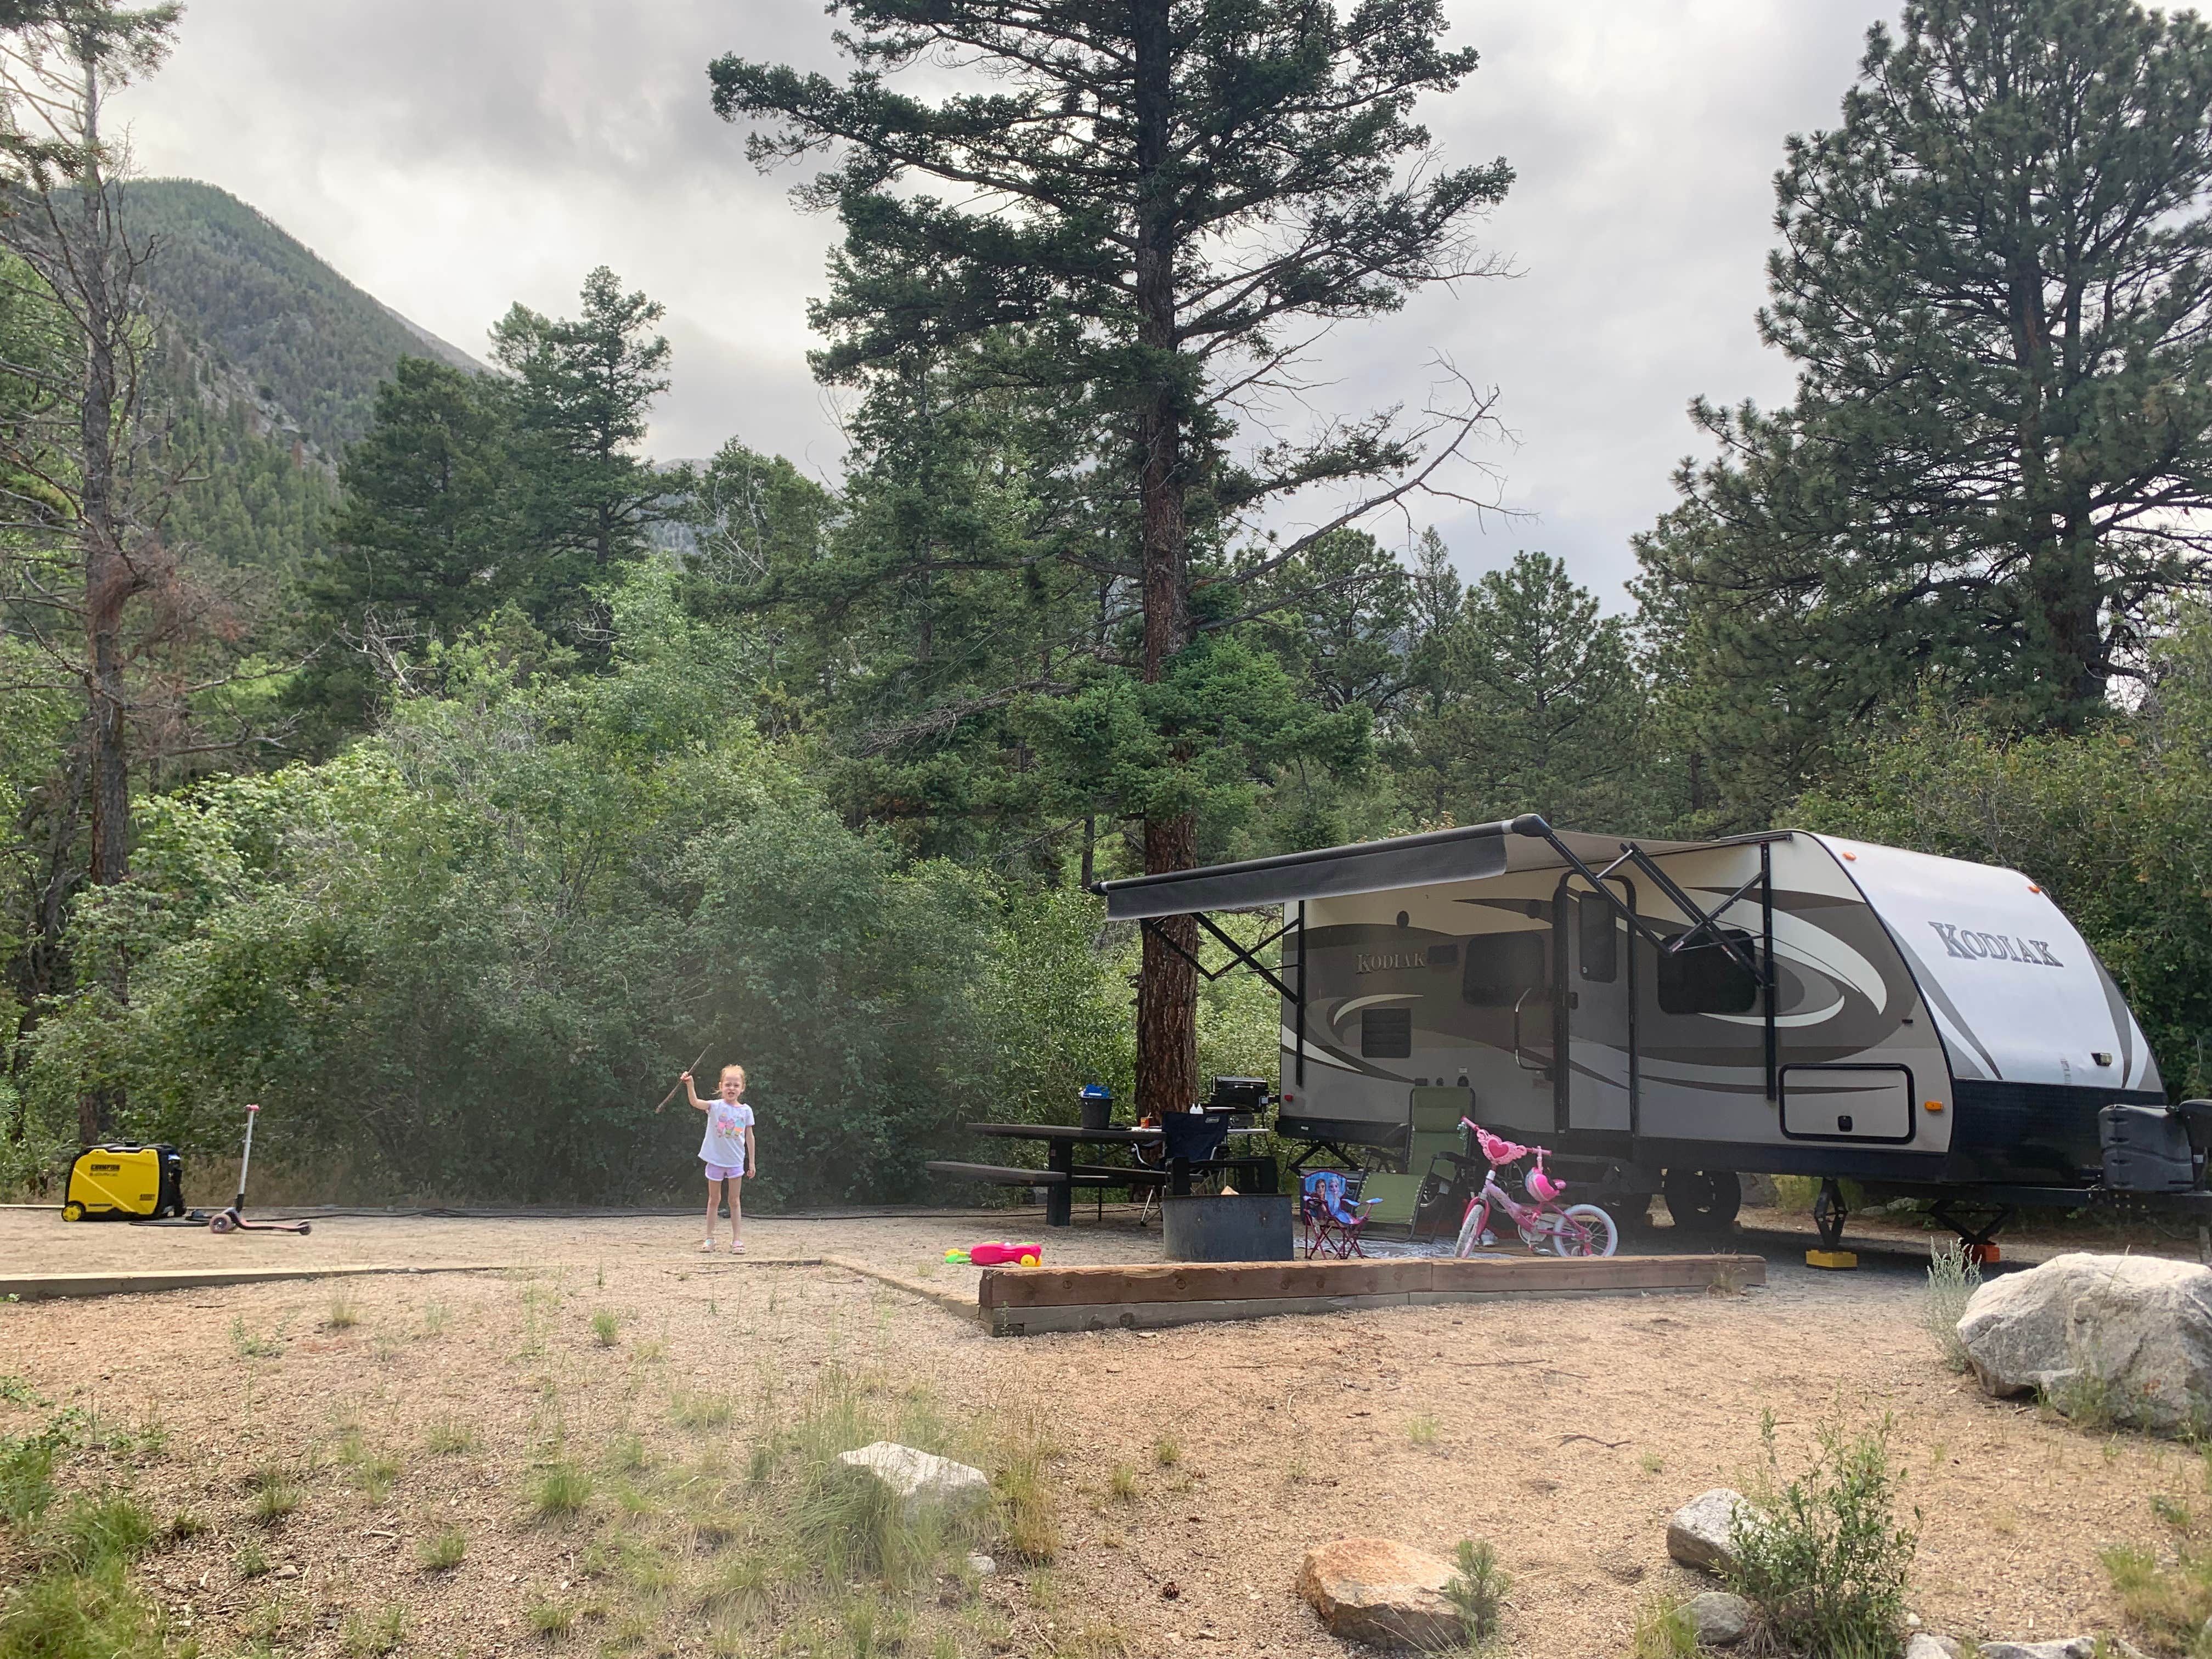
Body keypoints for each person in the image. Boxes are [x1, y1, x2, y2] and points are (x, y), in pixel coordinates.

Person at [681, 1063, 757, 1254]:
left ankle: (737, 1240)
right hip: (715, 1160)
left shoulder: (746, 1111)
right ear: (721, 1086)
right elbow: (695, 1102)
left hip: (736, 1162)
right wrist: (690, 1084)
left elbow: (750, 1137)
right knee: (714, 1200)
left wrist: (752, 1162)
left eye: (736, 1085)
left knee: (735, 1201)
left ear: (742, 1088)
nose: (732, 1088)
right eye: (728, 1085)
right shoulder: (715, 1106)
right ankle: (710, 1239)